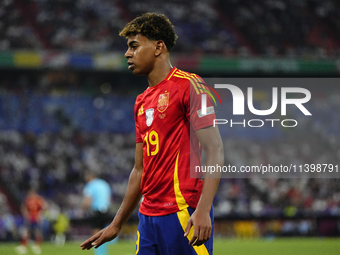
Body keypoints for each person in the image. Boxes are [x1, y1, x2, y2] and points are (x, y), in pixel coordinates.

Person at [81, 13, 224, 255]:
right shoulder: (141, 102)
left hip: (181, 211)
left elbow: (215, 149)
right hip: (147, 217)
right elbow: (139, 169)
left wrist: (202, 209)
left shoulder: (190, 85)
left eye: (134, 46)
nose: (127, 53)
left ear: (158, 47)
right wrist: (116, 224)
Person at [82, 171, 112, 255]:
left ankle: (98, 253)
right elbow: (109, 198)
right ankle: (104, 252)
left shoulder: (90, 185)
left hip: (96, 211)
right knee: (104, 232)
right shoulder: (104, 184)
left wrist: (82, 210)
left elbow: (88, 200)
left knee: (95, 232)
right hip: (106, 210)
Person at [15, 188, 47, 255]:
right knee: (26, 232)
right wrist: (26, 215)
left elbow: (44, 207)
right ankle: (24, 247)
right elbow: (23, 208)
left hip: (36, 218)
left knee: (37, 232)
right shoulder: (27, 200)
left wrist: (40, 215)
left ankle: (38, 246)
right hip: (29, 218)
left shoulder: (38, 199)